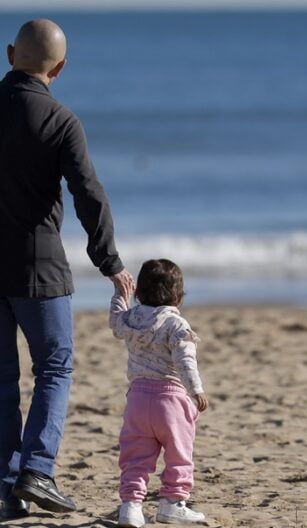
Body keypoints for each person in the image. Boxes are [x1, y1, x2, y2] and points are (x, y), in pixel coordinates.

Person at [0, 19, 134, 520]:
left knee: (2, 380)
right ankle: (37, 470)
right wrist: (111, 263)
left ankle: (9, 485)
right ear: (60, 67)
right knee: (54, 368)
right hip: (39, 268)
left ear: (10, 53)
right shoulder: (59, 120)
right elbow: (89, 197)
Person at [109, 259, 208, 527]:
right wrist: (196, 389)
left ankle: (130, 506)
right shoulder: (177, 325)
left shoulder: (131, 318)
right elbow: (185, 359)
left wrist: (120, 296)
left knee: (135, 454)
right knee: (179, 453)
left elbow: (116, 321)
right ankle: (173, 503)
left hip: (138, 399)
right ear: (178, 296)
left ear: (139, 293)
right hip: (171, 398)